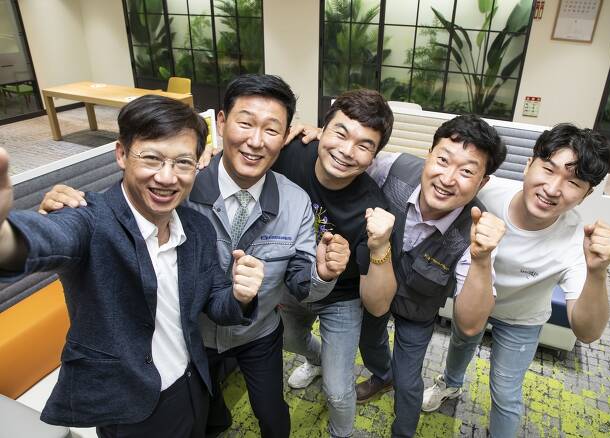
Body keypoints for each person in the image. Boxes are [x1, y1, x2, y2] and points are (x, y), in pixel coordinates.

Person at [37, 74, 351, 438]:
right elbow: (116, 212)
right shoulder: (178, 186)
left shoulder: (295, 201)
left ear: (284, 137)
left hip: (258, 331)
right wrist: (65, 208)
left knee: (271, 411)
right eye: (245, 123)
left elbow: (301, 285)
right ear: (221, 122)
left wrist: (323, 273)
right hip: (193, 339)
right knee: (207, 414)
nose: (255, 141)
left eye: (271, 129)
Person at [0, 95, 262, 437]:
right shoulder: (89, 219)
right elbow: (45, 238)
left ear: (198, 164)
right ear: (122, 154)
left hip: (193, 383)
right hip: (130, 406)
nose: (167, 177)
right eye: (151, 158)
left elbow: (216, 303)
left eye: (183, 162)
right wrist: (4, 235)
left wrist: (241, 296)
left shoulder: (196, 229)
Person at [288, 114, 508, 437]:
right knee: (369, 342)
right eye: (443, 160)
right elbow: (350, 156)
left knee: (408, 381)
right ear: (428, 154)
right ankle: (382, 375)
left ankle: (402, 430)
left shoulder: (476, 231)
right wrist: (318, 136)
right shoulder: (393, 168)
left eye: (466, 172)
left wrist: (481, 258)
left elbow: (471, 326)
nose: (448, 178)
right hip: (373, 291)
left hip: (417, 310)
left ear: (482, 182)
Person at [420, 123, 610, 437]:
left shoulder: (575, 241)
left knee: (505, 393)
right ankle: (450, 384)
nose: (553, 188)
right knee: (459, 347)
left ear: (586, 194)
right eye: (548, 169)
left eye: (573, 182)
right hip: (473, 301)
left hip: (522, 319)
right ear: (528, 164)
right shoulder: (486, 193)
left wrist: (598, 272)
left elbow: (588, 332)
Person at [272, 89, 397, 438]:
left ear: (373, 157)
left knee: (338, 391)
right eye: (340, 133)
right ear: (321, 129)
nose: (346, 151)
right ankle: (316, 361)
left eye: (364, 145)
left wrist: (380, 245)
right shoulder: (290, 152)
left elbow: (379, 303)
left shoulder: (372, 207)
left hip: (341, 298)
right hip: (293, 280)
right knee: (288, 340)